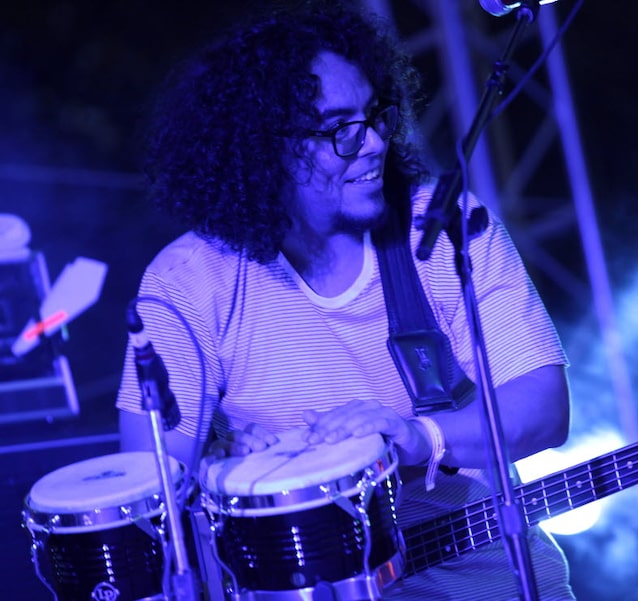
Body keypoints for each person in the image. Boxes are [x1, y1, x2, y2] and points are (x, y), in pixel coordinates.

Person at [116, 2, 575, 599]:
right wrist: (230, 475)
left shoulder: (440, 226)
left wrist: (421, 436)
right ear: (264, 148)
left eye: (376, 116)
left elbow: (542, 406)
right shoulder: (187, 282)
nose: (376, 142)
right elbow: (150, 485)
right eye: (341, 129)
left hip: (490, 584)